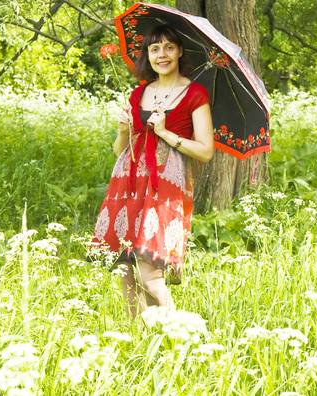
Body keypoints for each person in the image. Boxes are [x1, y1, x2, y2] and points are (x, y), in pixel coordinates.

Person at [92, 24, 214, 317]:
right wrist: (123, 131)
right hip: (128, 182)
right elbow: (120, 150)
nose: (162, 55)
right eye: (155, 48)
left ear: (180, 52)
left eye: (169, 47)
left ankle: (179, 337)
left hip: (164, 187)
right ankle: (141, 340)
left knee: (150, 273)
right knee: (124, 267)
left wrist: (165, 133)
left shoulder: (194, 94)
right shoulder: (139, 94)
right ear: (148, 54)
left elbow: (206, 151)